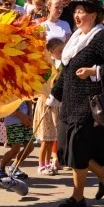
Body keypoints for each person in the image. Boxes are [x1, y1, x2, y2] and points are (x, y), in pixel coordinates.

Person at [46, 0, 104, 207]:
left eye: (81, 12)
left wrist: (94, 72)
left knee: (77, 148)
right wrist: (54, 95)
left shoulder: (100, 37)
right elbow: (67, 71)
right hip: (70, 102)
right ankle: (103, 174)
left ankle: (78, 196)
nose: (77, 15)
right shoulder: (76, 38)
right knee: (65, 149)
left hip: (87, 103)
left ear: (93, 15)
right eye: (76, 12)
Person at [33, 38, 64, 175]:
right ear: (50, 52)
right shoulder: (46, 66)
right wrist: (47, 98)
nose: (62, 53)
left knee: (52, 137)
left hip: (56, 103)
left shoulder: (61, 64)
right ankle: (41, 165)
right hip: (46, 103)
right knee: (45, 139)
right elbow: (42, 85)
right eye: (59, 51)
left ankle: (50, 162)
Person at [0, 101, 34, 180]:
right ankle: (0, 168)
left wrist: (30, 114)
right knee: (15, 149)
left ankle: (14, 167)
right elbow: (7, 104)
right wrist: (20, 115)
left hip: (26, 119)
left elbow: (28, 100)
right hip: (13, 121)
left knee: (30, 147)